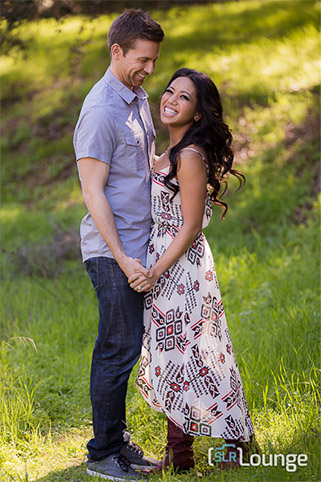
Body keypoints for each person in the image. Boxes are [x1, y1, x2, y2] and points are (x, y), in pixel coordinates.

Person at [128, 68, 256, 473]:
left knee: (181, 355)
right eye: (169, 91)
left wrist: (155, 272)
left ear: (198, 114)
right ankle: (235, 444)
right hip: (163, 258)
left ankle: (184, 457)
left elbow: (192, 224)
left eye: (183, 97)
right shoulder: (167, 152)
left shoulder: (189, 156)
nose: (170, 100)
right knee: (193, 354)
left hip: (180, 266)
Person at [74, 9, 164, 481]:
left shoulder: (136, 99)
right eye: (142, 60)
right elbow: (94, 193)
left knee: (127, 347)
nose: (150, 69)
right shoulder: (101, 111)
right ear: (117, 51)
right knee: (117, 347)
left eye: (153, 61)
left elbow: (142, 165)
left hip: (140, 247)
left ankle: (117, 442)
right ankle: (103, 454)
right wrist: (124, 258)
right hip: (114, 252)